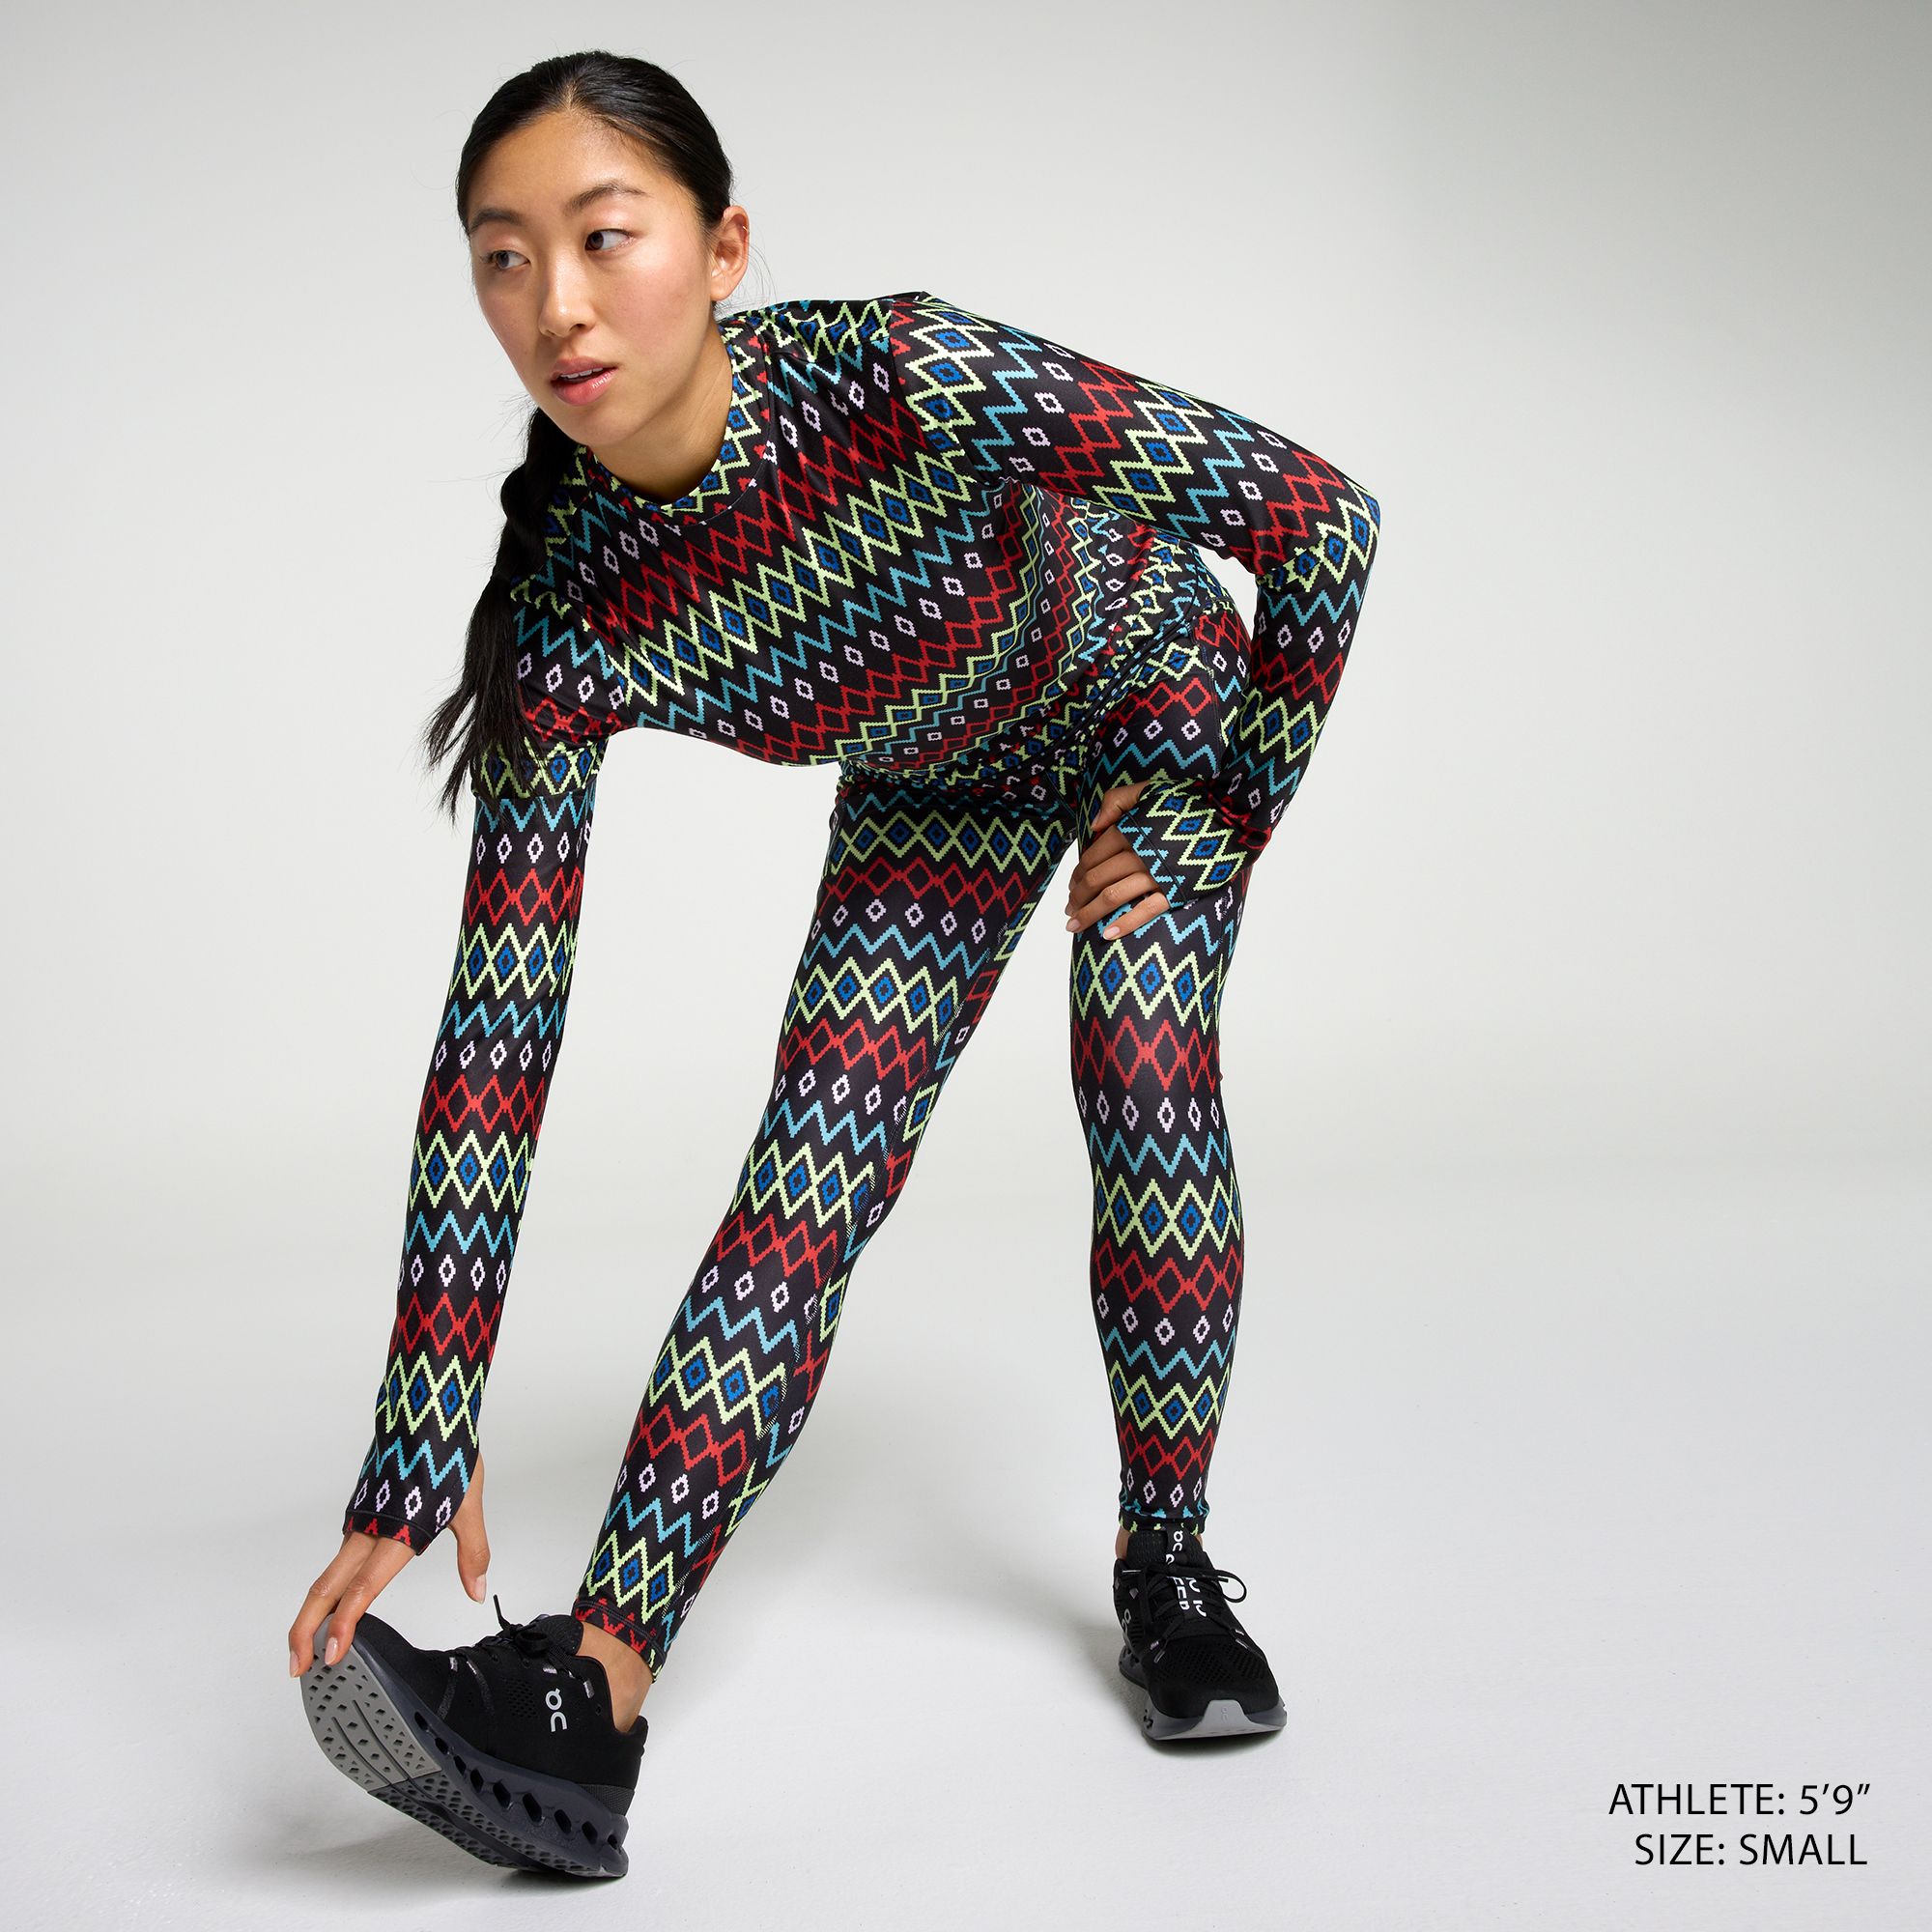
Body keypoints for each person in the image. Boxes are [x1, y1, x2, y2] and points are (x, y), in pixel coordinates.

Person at [288, 48, 1381, 1880]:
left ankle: (1171, 1571)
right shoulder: (566, 606)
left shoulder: (902, 371)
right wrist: (422, 1423)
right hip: (941, 786)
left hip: (1154, 704)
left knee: (1140, 1068)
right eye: (502, 257)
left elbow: (1319, 521)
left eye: (603, 237)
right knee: (804, 1188)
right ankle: (590, 1709)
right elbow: (497, 1039)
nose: (556, 305)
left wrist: (1227, 815)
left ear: (722, 249)